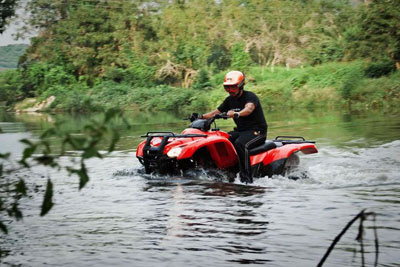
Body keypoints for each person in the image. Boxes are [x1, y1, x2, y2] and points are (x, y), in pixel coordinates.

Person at [195, 70, 268, 183]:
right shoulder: (229, 100)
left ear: (240, 85)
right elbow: (215, 112)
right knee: (221, 140)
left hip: (257, 131)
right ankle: (226, 172)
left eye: (233, 87)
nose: (230, 90)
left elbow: (248, 109)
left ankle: (247, 179)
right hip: (240, 131)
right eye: (227, 87)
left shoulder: (250, 97)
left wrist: (237, 113)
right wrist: (200, 116)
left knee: (240, 144)